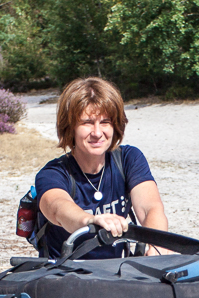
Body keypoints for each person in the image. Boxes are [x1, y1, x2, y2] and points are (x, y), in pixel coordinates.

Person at [33, 77, 168, 259]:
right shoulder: (53, 174)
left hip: (114, 273)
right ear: (70, 127)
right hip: (66, 275)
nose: (97, 133)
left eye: (105, 122)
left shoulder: (129, 159)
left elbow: (150, 208)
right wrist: (90, 220)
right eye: (87, 122)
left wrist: (157, 245)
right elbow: (59, 208)